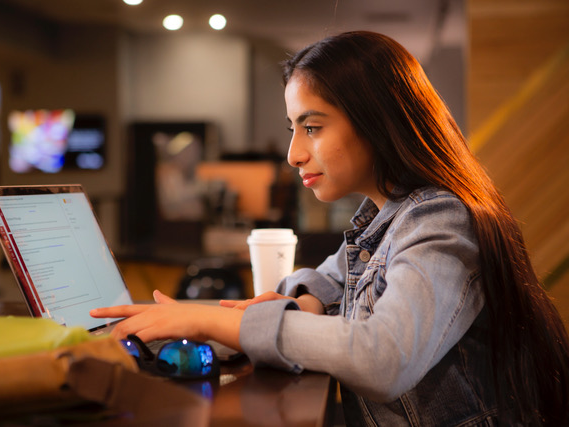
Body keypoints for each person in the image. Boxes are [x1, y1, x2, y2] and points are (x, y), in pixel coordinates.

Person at [91, 31, 569, 426]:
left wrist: (211, 320)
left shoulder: (439, 220)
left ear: (378, 122)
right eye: (292, 129)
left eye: (313, 128)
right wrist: (304, 300)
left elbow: (384, 358)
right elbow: (332, 278)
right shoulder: (385, 220)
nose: (294, 153)